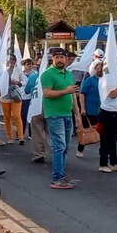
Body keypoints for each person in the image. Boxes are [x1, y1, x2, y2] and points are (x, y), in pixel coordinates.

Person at [40, 48, 80, 189]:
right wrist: (65, 91)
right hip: (54, 115)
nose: (59, 60)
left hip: (67, 114)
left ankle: (61, 175)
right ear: (52, 59)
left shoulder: (69, 74)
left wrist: (77, 114)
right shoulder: (47, 75)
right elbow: (47, 93)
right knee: (59, 146)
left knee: (65, 147)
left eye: (62, 57)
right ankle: (56, 178)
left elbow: (73, 95)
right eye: (56, 57)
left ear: (66, 59)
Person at [97, 63, 117, 173]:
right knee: (105, 139)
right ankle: (103, 163)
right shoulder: (106, 81)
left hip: (115, 112)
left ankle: (114, 162)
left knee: (113, 139)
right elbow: (113, 94)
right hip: (107, 112)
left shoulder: (110, 79)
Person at [24, 60, 50, 163]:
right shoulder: (51, 76)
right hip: (49, 106)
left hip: (35, 105)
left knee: (37, 131)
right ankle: (57, 154)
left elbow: (26, 91)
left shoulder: (33, 77)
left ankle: (38, 154)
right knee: (52, 131)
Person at [76, 62, 101, 158]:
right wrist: (82, 108)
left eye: (101, 68)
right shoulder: (89, 80)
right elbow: (82, 94)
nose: (99, 70)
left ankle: (102, 150)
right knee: (87, 131)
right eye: (97, 68)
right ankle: (80, 148)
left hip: (101, 110)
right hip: (90, 110)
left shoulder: (104, 81)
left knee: (102, 131)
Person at [0, 55, 25, 145]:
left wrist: (18, 82)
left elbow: (24, 81)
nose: (11, 61)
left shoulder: (18, 70)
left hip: (15, 96)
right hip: (5, 96)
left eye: (13, 60)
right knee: (7, 117)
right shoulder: (2, 70)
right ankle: (10, 137)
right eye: (10, 59)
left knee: (17, 115)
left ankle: (21, 136)